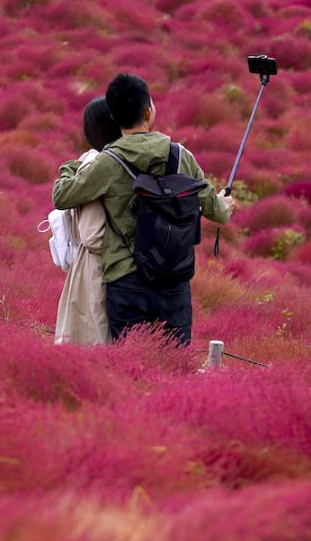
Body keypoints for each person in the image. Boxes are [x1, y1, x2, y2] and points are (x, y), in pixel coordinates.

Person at [52, 73, 233, 347]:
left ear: (114, 117)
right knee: (174, 368)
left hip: (125, 281)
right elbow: (217, 212)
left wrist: (73, 166)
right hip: (173, 280)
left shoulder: (107, 162)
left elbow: (61, 196)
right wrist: (225, 202)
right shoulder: (180, 155)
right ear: (149, 111)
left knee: (129, 368)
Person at [53, 98, 122, 345]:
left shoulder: (96, 163)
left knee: (87, 339)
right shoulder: (114, 162)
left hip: (94, 266)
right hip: (106, 265)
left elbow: (92, 235)